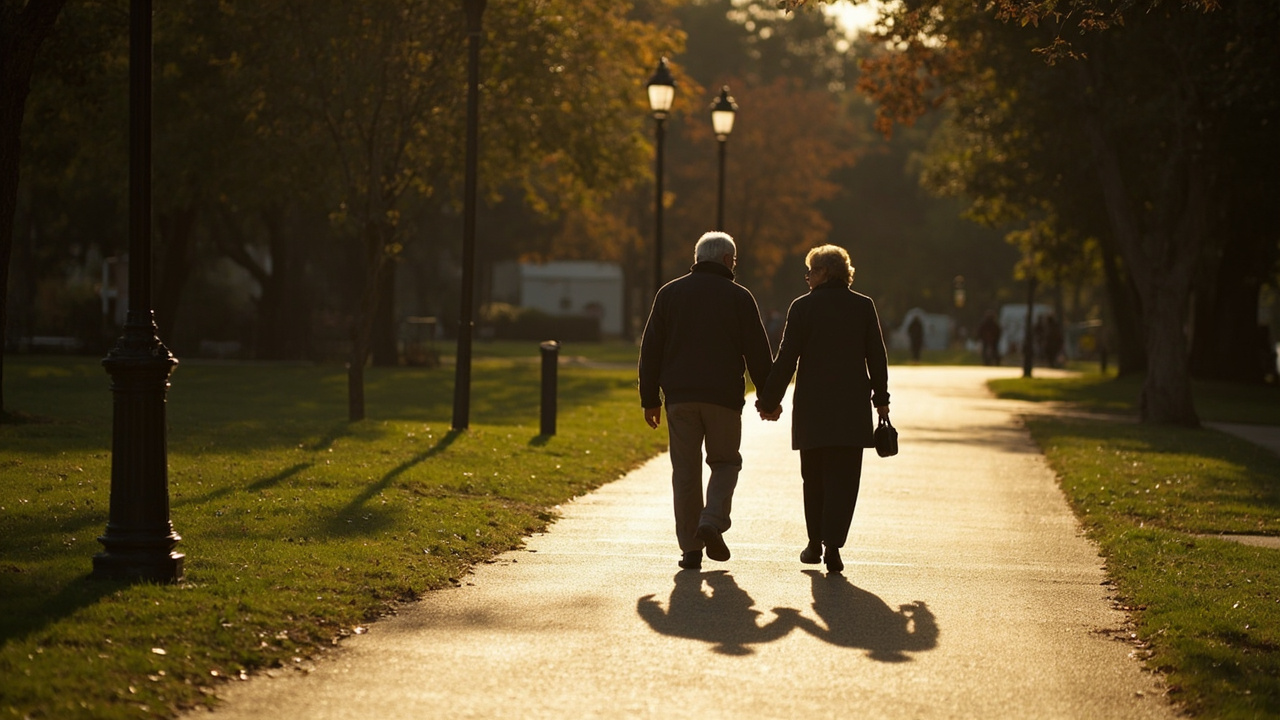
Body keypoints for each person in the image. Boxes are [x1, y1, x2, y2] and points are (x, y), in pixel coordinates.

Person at [639, 231, 775, 571]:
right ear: (728, 261)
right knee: (725, 462)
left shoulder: (669, 293)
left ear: (698, 258)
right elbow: (757, 352)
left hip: (680, 399)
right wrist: (768, 398)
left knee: (685, 472)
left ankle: (690, 550)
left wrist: (649, 398)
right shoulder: (739, 297)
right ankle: (712, 520)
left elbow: (651, 348)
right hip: (724, 400)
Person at [755, 244, 890, 574]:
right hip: (850, 409)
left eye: (812, 271)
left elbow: (787, 358)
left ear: (825, 272)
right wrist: (881, 399)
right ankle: (833, 546)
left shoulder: (803, 308)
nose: (808, 277)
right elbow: (877, 355)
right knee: (844, 480)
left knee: (813, 478)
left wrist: (768, 400)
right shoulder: (863, 307)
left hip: (813, 408)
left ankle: (814, 543)